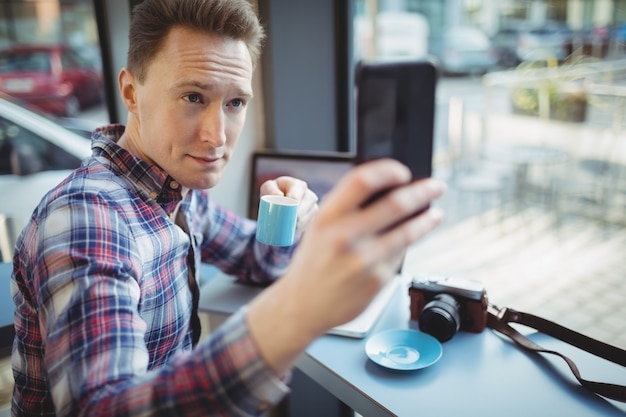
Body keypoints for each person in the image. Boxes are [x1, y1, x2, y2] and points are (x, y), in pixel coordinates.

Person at [10, 0, 445, 415]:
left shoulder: (176, 189)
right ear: (131, 91)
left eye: (235, 102)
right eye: (193, 97)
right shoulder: (89, 218)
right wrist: (299, 310)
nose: (218, 136)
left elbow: (257, 260)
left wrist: (286, 216)